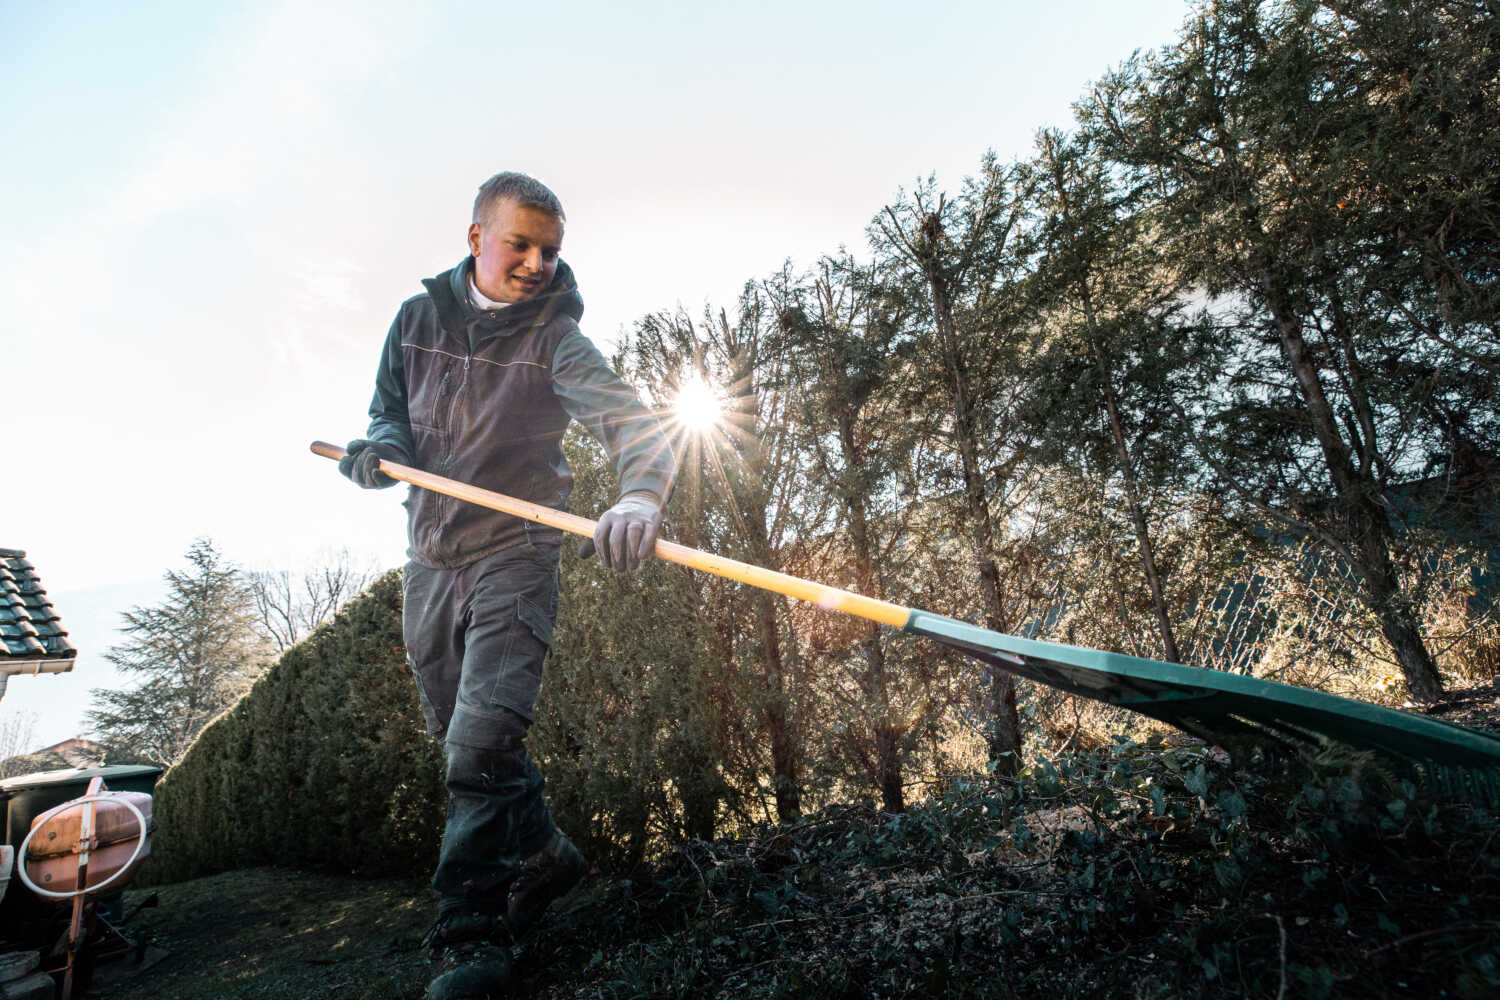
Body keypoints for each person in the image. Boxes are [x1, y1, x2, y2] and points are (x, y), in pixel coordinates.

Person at [338, 171, 675, 1000]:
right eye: (518, 244)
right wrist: (379, 452)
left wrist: (638, 493)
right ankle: (548, 854)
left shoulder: (556, 338)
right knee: (459, 734)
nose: (535, 263)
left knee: (481, 742)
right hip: (430, 557)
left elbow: (629, 420)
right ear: (475, 237)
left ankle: (471, 938)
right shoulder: (414, 321)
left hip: (517, 549)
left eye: (549, 250)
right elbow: (391, 411)